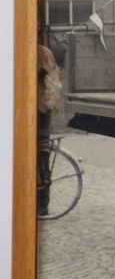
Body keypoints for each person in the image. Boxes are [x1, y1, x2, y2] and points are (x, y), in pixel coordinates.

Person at [37, 44, 62, 215]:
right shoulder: (43, 51)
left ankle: (42, 202)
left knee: (42, 157)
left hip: (40, 110)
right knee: (42, 156)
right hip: (42, 109)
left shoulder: (42, 53)